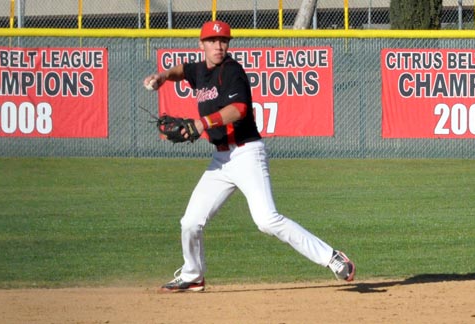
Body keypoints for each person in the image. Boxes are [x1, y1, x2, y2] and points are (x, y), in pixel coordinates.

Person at [143, 20, 355, 293]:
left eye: (223, 41)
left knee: (267, 220)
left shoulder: (232, 71)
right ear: (202, 44)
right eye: (212, 41)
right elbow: (182, 71)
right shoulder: (200, 70)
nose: (219, 46)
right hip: (221, 161)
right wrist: (162, 76)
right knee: (190, 222)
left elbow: (239, 109)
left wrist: (200, 124)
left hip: (246, 154)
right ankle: (193, 275)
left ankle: (332, 257)